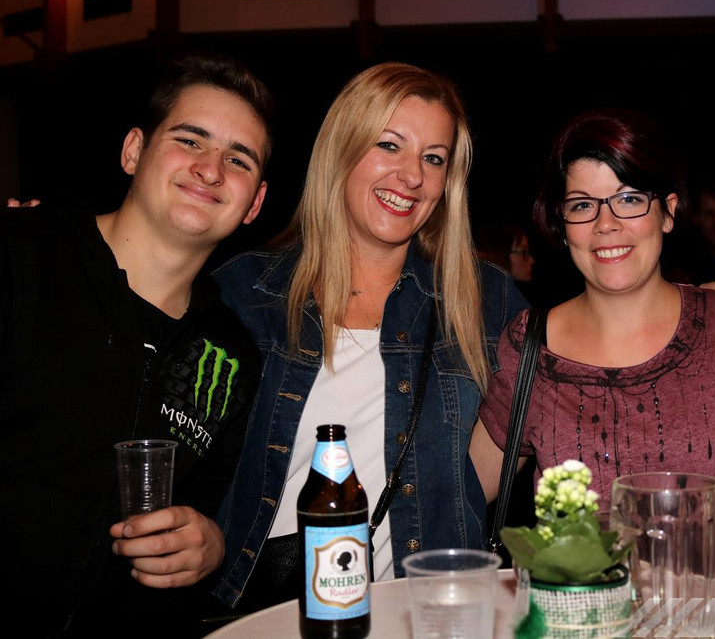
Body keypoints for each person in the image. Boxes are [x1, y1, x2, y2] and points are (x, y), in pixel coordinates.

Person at [208, 62, 531, 616]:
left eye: (434, 158)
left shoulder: (484, 299)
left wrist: (448, 494)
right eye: (389, 145)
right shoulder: (245, 291)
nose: (413, 176)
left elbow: (545, 401)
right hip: (262, 609)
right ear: (342, 148)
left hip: (423, 611)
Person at [0, 50, 272, 636]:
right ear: (133, 151)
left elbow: (207, 508)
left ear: (254, 203)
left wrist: (209, 543)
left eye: (238, 159)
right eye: (190, 140)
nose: (210, 169)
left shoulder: (234, 358)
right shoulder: (20, 256)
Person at [469, 108, 715, 547]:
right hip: (575, 594)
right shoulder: (529, 347)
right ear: (562, 225)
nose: (606, 225)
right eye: (583, 205)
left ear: (668, 212)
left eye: (629, 199)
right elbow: (461, 492)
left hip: (703, 593)